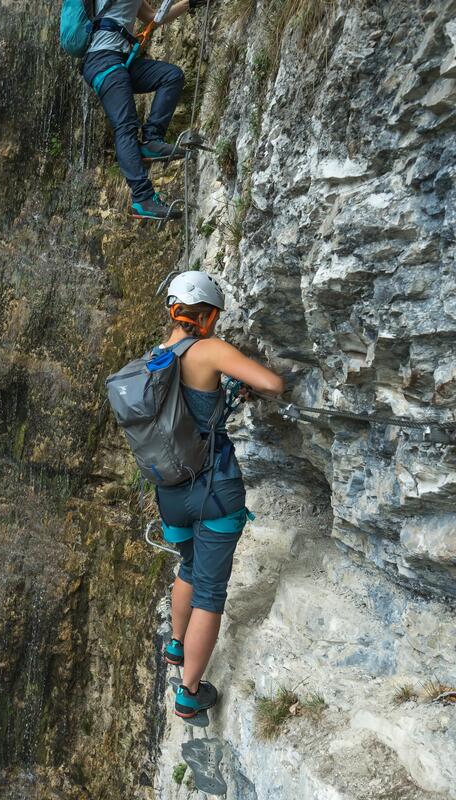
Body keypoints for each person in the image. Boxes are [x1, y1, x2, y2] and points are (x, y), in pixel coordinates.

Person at [151, 271, 284, 719]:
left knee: (187, 565)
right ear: (205, 315)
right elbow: (272, 384)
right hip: (214, 489)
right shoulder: (209, 350)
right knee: (210, 591)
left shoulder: (154, 360)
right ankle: (189, 692)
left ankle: (175, 644)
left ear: (173, 310)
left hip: (169, 492)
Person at [79, 0, 230, 220]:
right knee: (124, 124)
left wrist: (190, 4)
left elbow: (152, 18)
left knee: (170, 76)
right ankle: (142, 198)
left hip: (117, 60)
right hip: (103, 61)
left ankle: (152, 139)